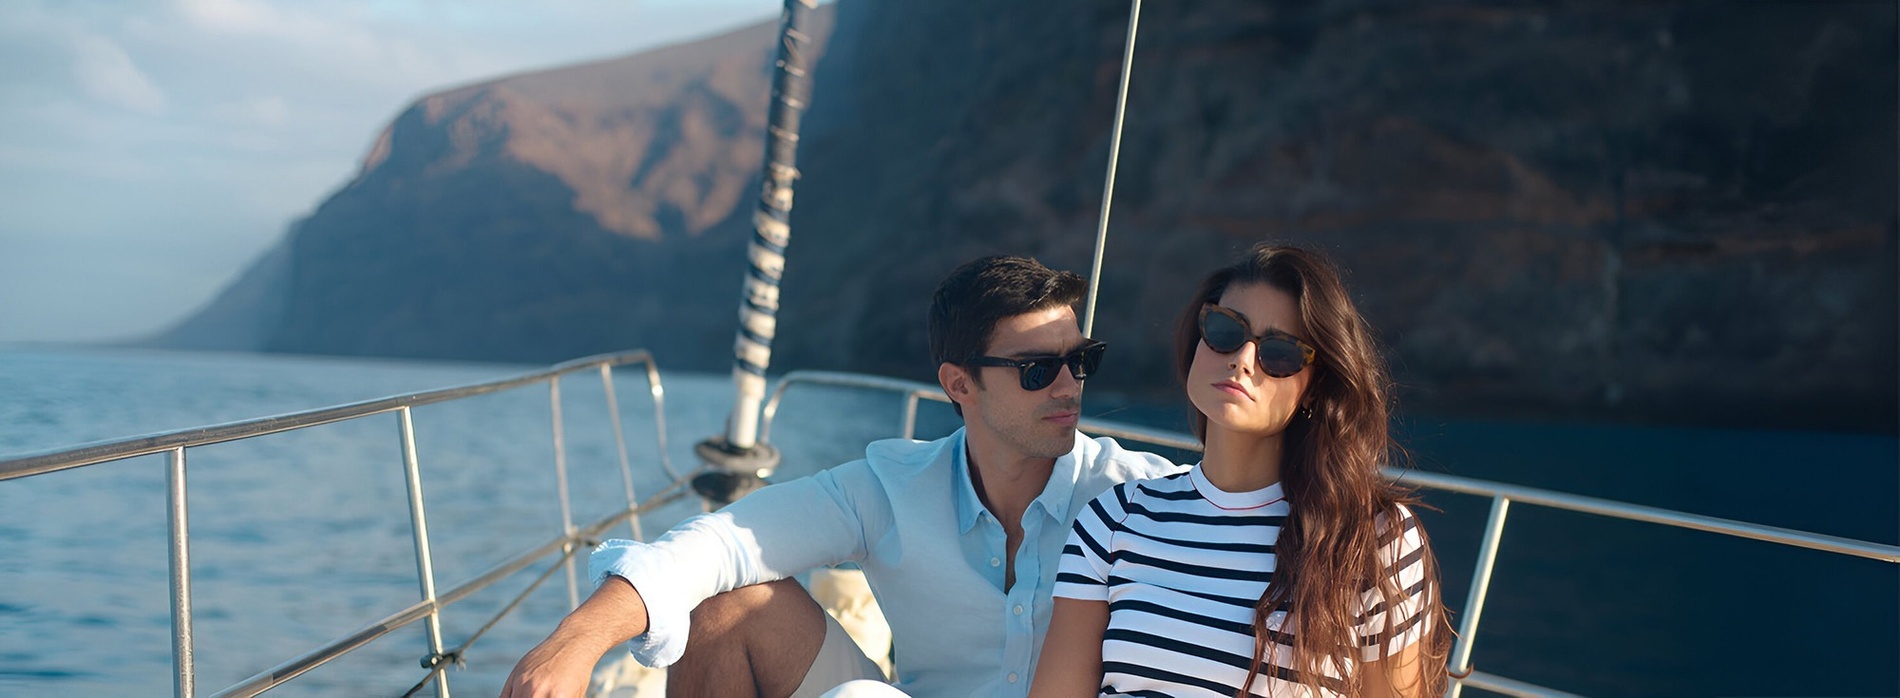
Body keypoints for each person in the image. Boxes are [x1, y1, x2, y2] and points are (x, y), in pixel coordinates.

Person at [502, 255, 1186, 697]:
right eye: (1038, 370)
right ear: (959, 385)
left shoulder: (1138, 495)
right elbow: (724, 542)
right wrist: (576, 642)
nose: (1069, 385)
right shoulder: (892, 486)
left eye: (1081, 360)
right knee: (727, 599)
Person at [1029, 244, 1453, 698]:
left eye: (1280, 352)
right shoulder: (1114, 519)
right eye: (1225, 330)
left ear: (1315, 387)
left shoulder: (1372, 539)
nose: (1244, 359)